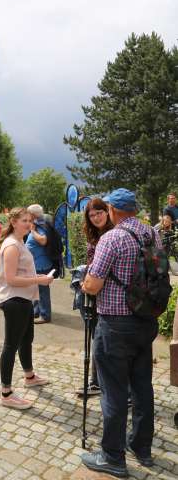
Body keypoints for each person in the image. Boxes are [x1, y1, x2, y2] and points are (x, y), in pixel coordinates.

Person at [80, 188, 162, 477]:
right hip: (146, 321)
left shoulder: (112, 238)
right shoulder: (153, 234)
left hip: (115, 325)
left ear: (113, 210)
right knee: (142, 388)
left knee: (113, 392)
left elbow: (93, 285)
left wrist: (83, 283)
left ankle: (112, 457)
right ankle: (142, 447)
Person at [0, 207, 54, 409]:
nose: (29, 224)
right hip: (14, 300)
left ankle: (29, 376)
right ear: (13, 222)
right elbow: (10, 279)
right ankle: (6, 393)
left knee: (26, 339)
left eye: (30, 220)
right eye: (24, 220)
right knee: (11, 345)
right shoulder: (12, 245)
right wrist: (40, 280)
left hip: (24, 299)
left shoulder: (19, 242)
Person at [77, 198, 114, 397]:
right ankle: (96, 382)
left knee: (102, 343)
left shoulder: (112, 233)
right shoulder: (95, 233)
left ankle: (104, 385)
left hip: (106, 296)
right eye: (92, 215)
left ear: (107, 211)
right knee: (95, 340)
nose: (96, 217)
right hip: (92, 292)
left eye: (99, 212)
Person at [26, 204, 54, 324]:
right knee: (35, 289)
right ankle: (36, 311)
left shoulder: (41, 224)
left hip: (41, 263)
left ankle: (45, 315)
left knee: (42, 291)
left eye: (28, 213)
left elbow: (43, 240)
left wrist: (32, 230)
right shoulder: (37, 222)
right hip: (36, 262)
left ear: (33, 214)